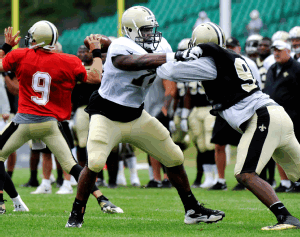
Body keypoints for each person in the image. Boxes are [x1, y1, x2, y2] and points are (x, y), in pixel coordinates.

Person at [66, 6, 225, 228]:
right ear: (130, 30)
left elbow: (169, 69)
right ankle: (76, 214)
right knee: (94, 162)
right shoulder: (121, 46)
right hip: (107, 114)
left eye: (152, 29)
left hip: (136, 115)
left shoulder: (161, 45)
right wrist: (175, 56)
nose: (151, 34)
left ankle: (192, 210)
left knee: (174, 156)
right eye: (145, 30)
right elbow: (133, 62)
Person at [156, 22, 300, 230]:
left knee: (245, 173)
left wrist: (158, 56)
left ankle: (285, 217)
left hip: (262, 117)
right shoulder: (238, 59)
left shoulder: (210, 63)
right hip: (276, 113)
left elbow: (170, 72)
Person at [0, 23, 123, 214]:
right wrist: (97, 53)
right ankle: (103, 200)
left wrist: (6, 47)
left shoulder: (20, 55)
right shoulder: (68, 60)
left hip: (24, 121)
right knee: (72, 165)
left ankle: (8, 200)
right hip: (50, 124)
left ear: (37, 39)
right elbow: (95, 77)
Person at [208, 36, 261, 191]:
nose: (230, 49)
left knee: (243, 145)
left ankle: (243, 179)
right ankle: (221, 179)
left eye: (233, 46)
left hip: (244, 109)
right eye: (227, 46)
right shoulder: (218, 63)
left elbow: (257, 86)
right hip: (224, 109)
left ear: (239, 48)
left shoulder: (248, 63)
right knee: (219, 144)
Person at [263, 40, 300, 193]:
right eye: (274, 50)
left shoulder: (296, 68)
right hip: (275, 116)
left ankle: (297, 181)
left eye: (279, 50)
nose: (276, 53)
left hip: (294, 116)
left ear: (288, 51)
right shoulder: (272, 68)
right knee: (278, 149)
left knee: (295, 149)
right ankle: (284, 182)